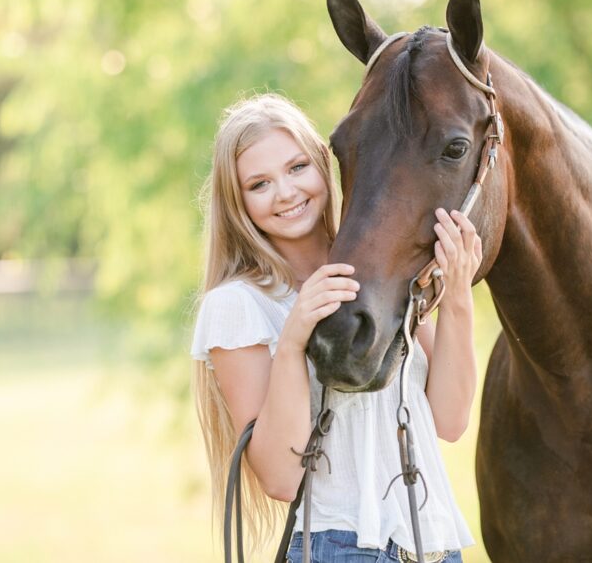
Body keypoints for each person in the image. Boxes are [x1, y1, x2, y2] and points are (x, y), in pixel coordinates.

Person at [191, 93, 480, 563]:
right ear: (237, 201)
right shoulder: (238, 305)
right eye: (259, 184)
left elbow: (449, 420)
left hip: (434, 544)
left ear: (325, 164)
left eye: (297, 167)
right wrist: (293, 340)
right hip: (339, 546)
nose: (285, 192)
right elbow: (281, 479)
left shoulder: (380, 275)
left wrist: (459, 294)